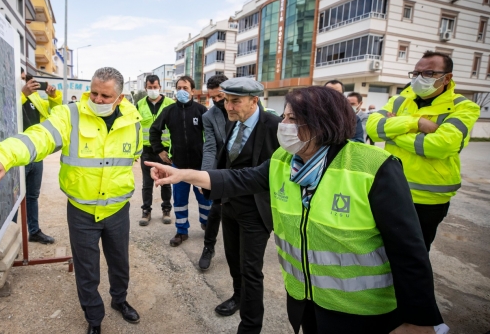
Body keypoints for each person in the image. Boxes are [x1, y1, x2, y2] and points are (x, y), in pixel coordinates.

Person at [146, 86, 445, 334]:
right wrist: (183, 174)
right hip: (305, 302)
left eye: (292, 118)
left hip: (362, 312)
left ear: (321, 122)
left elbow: (408, 250)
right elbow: (238, 178)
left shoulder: (373, 166)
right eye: (285, 116)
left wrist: (420, 320)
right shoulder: (284, 161)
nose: (283, 124)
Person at [0, 67, 142, 334]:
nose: (97, 100)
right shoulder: (70, 115)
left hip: (117, 209)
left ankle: (120, 301)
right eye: (94, 93)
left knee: (120, 262)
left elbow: (132, 157)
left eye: (105, 96)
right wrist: (5, 155)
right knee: (86, 268)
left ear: (120, 98)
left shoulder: (133, 122)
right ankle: (94, 319)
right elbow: (38, 137)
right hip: (82, 210)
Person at [367, 51, 480, 251]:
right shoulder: (401, 100)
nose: (420, 79)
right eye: (416, 73)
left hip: (428, 198)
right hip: (391, 189)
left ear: (447, 78)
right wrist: (415, 122)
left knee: (413, 256)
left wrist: (393, 130)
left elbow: (441, 145)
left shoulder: (463, 107)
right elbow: (373, 129)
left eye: (428, 73)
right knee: (381, 251)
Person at [211, 77, 281, 333]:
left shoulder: (274, 125)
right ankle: (238, 297)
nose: (228, 107)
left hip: (256, 211)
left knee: (251, 269)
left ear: (254, 101)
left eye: (235, 101)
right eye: (227, 101)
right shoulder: (235, 121)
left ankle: (250, 326)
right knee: (233, 259)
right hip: (229, 206)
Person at [150, 75, 211, 247]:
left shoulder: (201, 111)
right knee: (180, 200)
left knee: (205, 199)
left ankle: (207, 225)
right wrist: (159, 151)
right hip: (178, 166)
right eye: (179, 88)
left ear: (192, 91)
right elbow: (155, 131)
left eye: (185, 88)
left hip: (200, 167)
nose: (181, 91)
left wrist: (209, 159)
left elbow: (212, 136)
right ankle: (181, 231)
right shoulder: (169, 111)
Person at [16, 69, 61, 244]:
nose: (23, 80)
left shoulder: (34, 97)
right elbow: (8, 112)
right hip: (17, 154)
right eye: (20, 78)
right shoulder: (13, 96)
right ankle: (7, 235)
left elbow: (53, 114)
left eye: (24, 77)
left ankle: (34, 231)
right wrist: (22, 94)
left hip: (35, 152)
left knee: (32, 195)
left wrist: (53, 97)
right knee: (12, 198)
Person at [199, 74, 229, 270]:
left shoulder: (249, 108)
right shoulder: (209, 117)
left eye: (220, 96)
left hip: (248, 169)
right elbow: (210, 147)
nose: (216, 101)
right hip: (223, 167)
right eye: (213, 98)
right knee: (216, 209)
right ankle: (208, 247)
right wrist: (206, 176)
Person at [135, 75, 175, 225]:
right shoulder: (139, 104)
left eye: (155, 87)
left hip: (165, 151)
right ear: (145, 88)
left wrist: (172, 151)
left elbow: (175, 128)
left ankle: (166, 210)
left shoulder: (170, 103)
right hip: (147, 150)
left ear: (160, 87)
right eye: (150, 87)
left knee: (166, 181)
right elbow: (136, 128)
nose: (153, 90)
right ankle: (146, 211)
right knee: (147, 183)